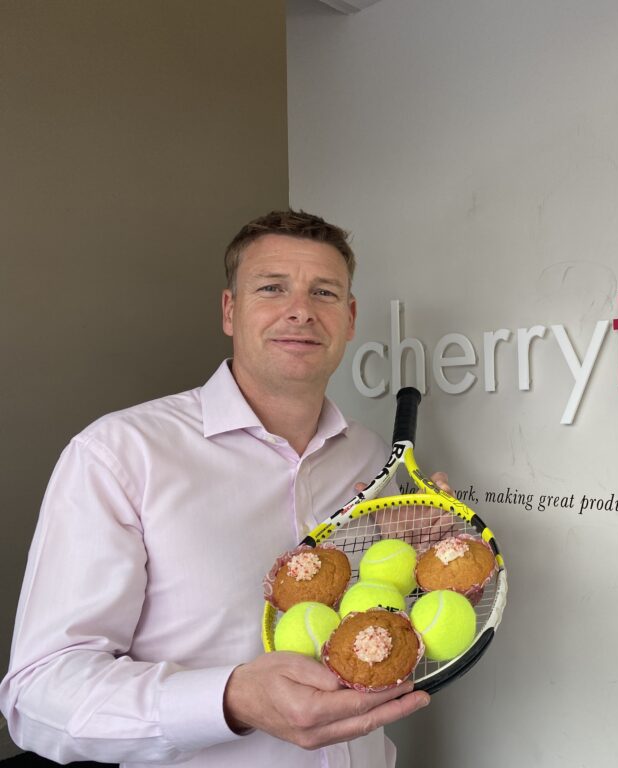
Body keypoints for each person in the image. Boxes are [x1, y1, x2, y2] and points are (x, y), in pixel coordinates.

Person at [0, 210, 440, 767]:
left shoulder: (372, 456)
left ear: (349, 319)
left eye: (324, 292)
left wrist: (434, 556)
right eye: (272, 288)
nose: (301, 310)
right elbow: (37, 695)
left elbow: (385, 621)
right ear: (230, 310)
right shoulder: (119, 455)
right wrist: (229, 699)